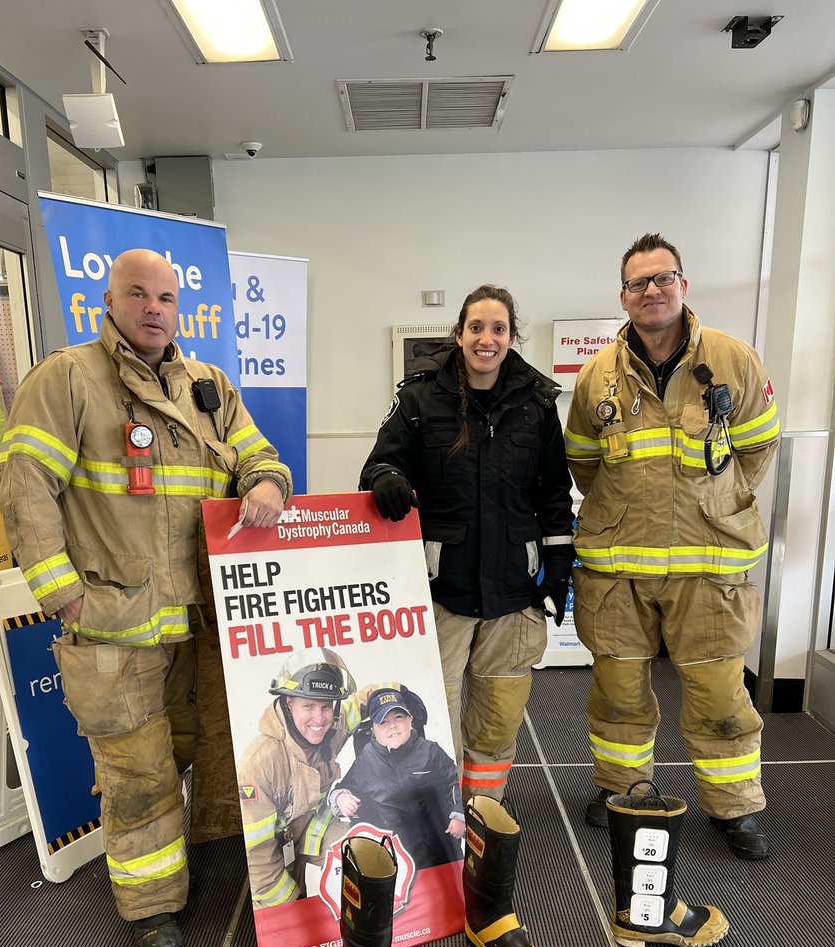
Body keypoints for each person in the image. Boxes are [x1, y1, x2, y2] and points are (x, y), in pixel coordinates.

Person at [0, 248, 292, 947]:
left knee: (213, 752)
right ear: (109, 300)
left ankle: (208, 863)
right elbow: (24, 484)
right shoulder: (67, 378)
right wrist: (57, 588)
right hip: (114, 624)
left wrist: (268, 487)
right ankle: (151, 906)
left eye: (165, 297)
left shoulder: (207, 384)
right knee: (138, 773)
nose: (154, 308)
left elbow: (262, 455)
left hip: (202, 621)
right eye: (139, 294)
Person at [565, 232, 780, 862]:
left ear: (683, 286)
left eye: (663, 278)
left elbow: (757, 450)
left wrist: (709, 505)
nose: (652, 290)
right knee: (618, 690)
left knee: (719, 694)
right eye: (638, 283)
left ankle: (733, 807)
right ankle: (624, 789)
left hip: (708, 565)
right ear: (624, 297)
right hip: (618, 567)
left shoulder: (734, 361)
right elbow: (583, 461)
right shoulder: (596, 376)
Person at [360, 285, 575, 806]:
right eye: (476, 328)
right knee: (435, 707)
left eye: (498, 328)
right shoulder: (418, 399)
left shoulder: (537, 405)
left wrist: (559, 566)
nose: (486, 338)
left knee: (499, 711)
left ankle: (483, 810)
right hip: (441, 589)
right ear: (459, 335)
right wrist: (388, 476)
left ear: (511, 337)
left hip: (513, 591)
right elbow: (378, 467)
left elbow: (553, 493)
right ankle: (439, 818)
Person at [239, 649, 365, 908]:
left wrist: (396, 693)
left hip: (308, 838)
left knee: (359, 850)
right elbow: (258, 860)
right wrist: (295, 907)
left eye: (326, 707)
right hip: (269, 867)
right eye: (308, 705)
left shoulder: (332, 727)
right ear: (289, 703)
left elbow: (362, 700)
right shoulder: (258, 765)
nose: (319, 720)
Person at [329, 686, 465, 869]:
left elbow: (453, 781)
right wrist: (340, 797)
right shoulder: (365, 762)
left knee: (450, 886)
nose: (392, 725)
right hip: (398, 851)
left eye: (398, 717)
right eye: (383, 722)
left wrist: (459, 815)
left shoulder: (430, 751)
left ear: (410, 720)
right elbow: (342, 789)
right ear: (373, 730)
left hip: (440, 840)